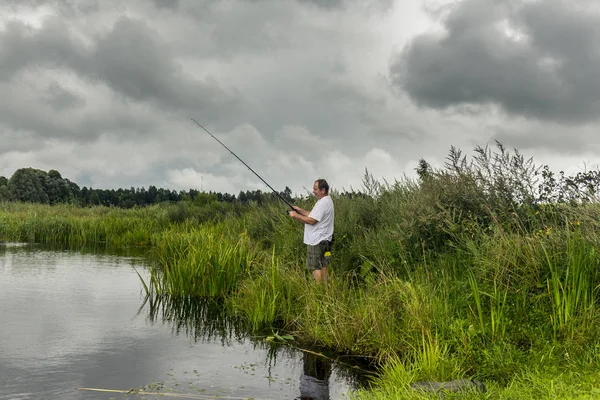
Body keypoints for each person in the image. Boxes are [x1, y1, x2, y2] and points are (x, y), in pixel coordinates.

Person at [288, 179, 334, 282]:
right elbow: (314, 215)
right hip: (325, 239)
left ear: (323, 190)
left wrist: (296, 216)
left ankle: (319, 291)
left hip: (317, 241)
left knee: (316, 267)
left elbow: (312, 220)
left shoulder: (323, 203)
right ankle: (326, 288)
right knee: (323, 264)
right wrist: (300, 210)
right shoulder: (325, 200)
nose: (313, 191)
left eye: (315, 189)